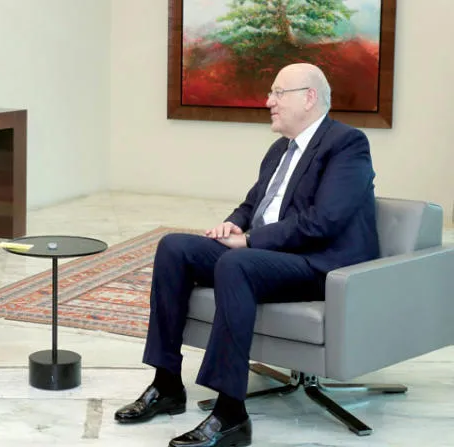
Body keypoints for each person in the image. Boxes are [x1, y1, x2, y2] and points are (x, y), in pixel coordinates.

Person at [113, 63, 379, 447]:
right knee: (174, 247)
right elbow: (254, 204)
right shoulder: (279, 149)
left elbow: (325, 221)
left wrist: (251, 241)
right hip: (273, 255)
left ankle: (230, 414)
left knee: (236, 263)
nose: (268, 101)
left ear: (309, 98)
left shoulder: (347, 144)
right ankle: (167, 383)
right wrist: (233, 225)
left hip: (320, 264)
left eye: (278, 93)